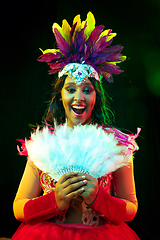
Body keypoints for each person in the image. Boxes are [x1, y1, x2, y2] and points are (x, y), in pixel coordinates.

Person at [12, 12, 140, 240]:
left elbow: (131, 208)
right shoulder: (43, 145)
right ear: (60, 95)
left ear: (96, 97)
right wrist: (55, 201)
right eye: (71, 89)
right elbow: (18, 207)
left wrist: (99, 198)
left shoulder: (117, 145)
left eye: (87, 90)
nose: (79, 97)